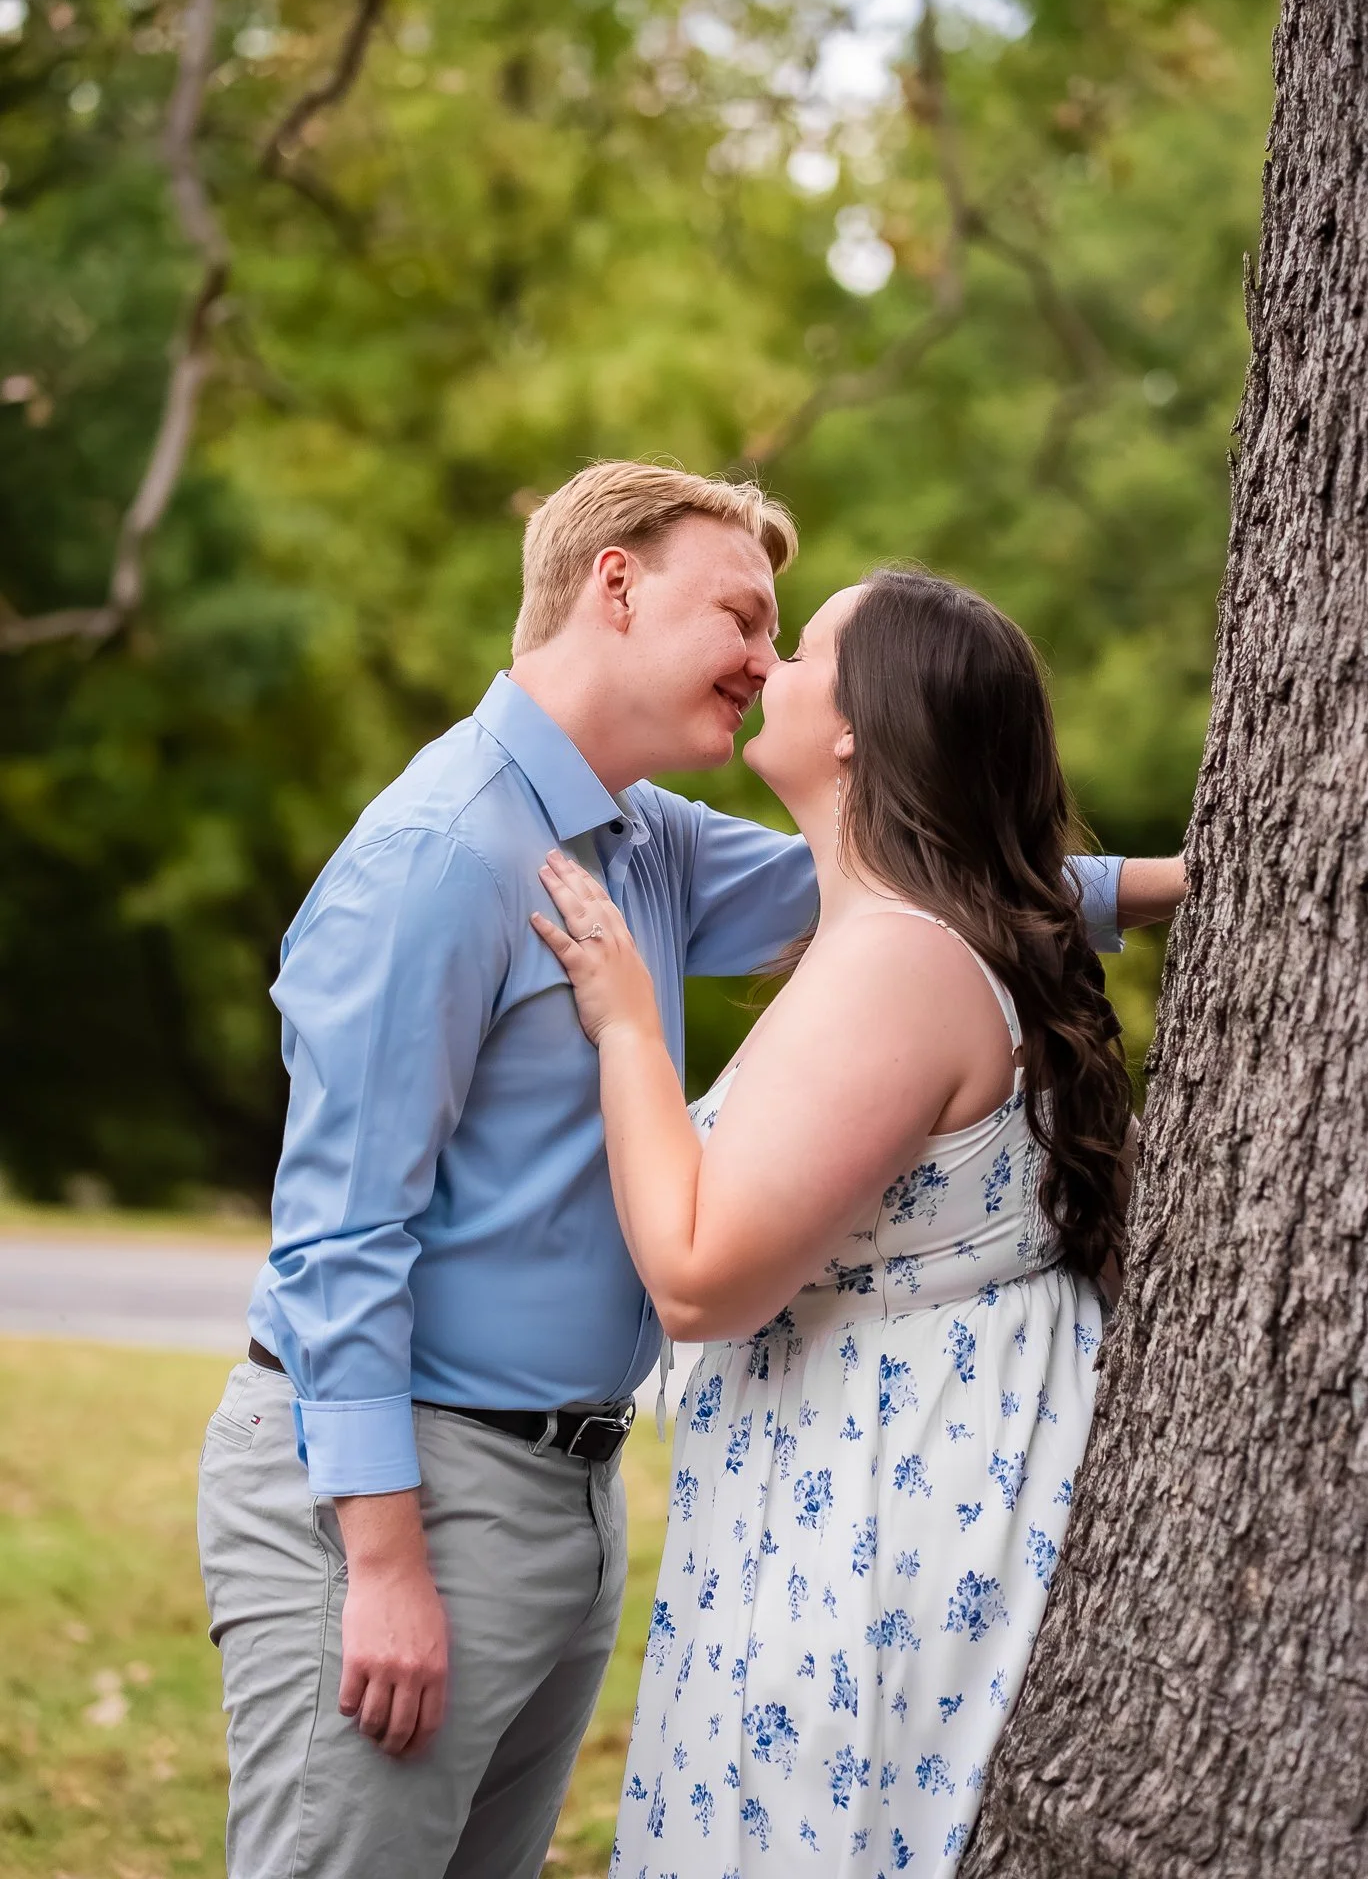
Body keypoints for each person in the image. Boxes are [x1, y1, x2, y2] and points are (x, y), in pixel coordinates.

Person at [197, 462, 1179, 1879]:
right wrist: (386, 1561)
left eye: (786, 641)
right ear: (616, 585)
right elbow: (339, 1235)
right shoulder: (438, 853)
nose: (764, 661)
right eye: (744, 616)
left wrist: (1215, 871)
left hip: (565, 1498)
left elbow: (935, 882)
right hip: (408, 1492)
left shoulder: (645, 843)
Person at [534, 566, 1139, 1877]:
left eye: (802, 653)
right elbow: (1048, 882)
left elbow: (701, 1281)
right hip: (868, 1479)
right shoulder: (922, 934)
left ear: (860, 726)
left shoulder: (898, 964)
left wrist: (631, 1031)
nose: (770, 672)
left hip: (870, 1516)